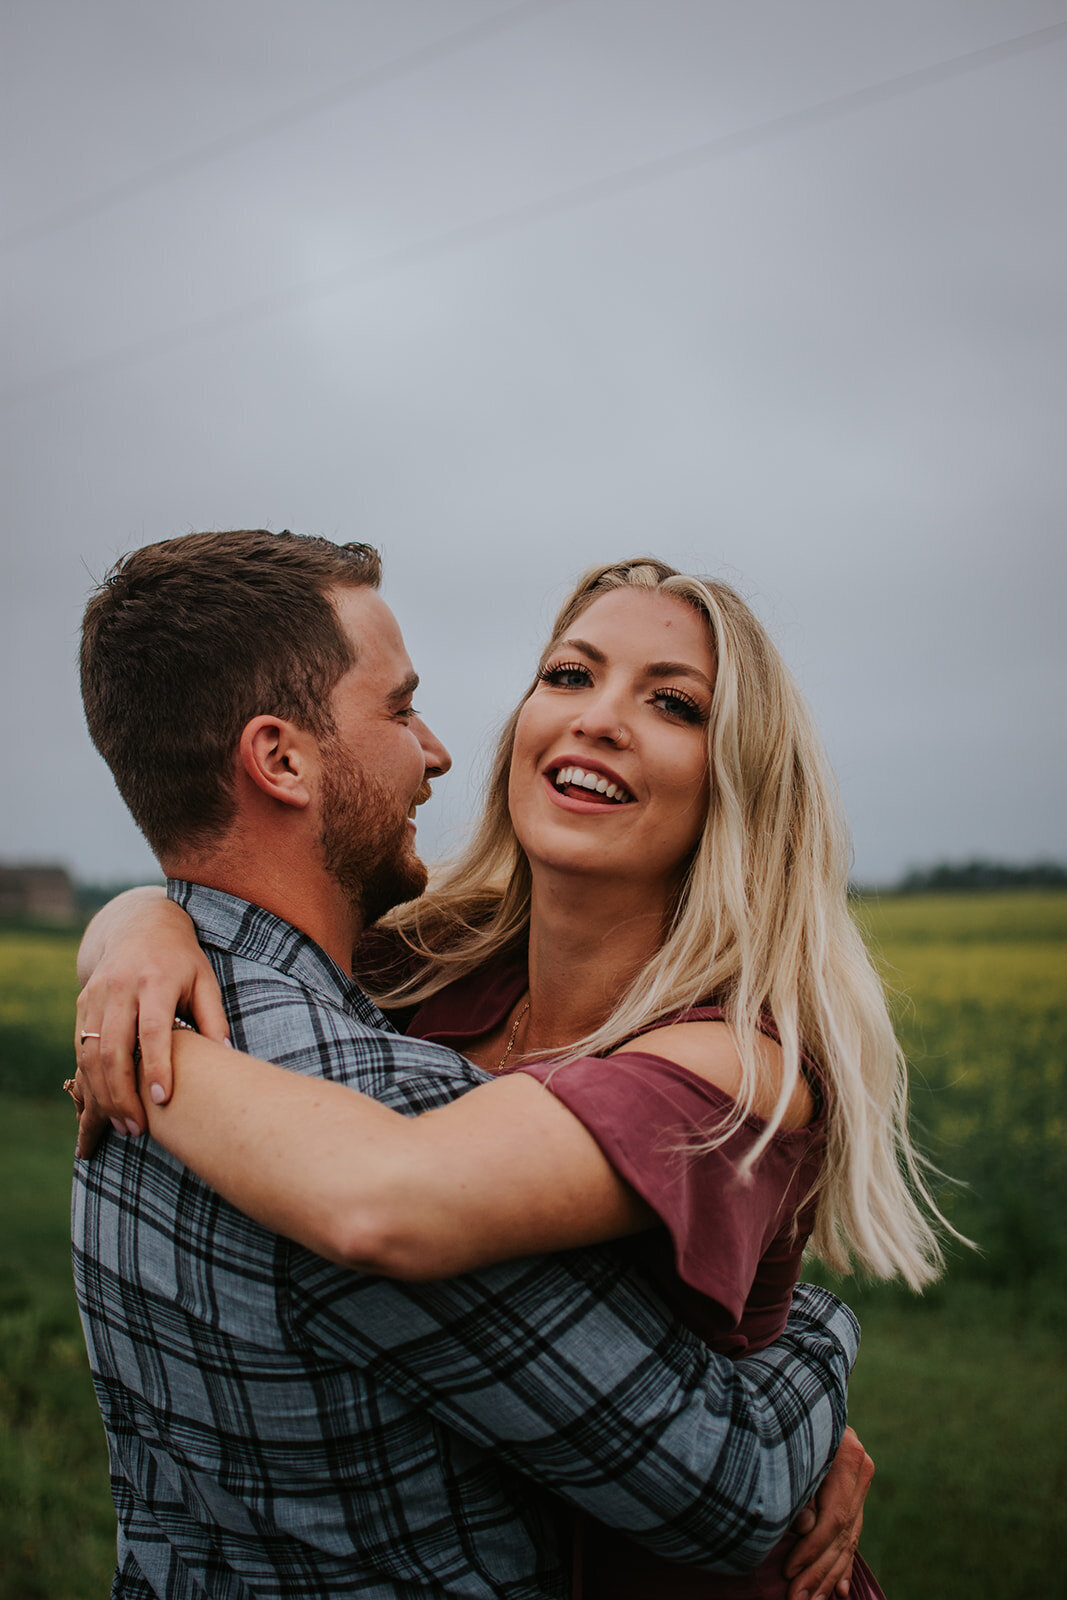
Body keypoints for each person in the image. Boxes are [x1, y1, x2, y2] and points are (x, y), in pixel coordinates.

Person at [71, 530, 870, 1600]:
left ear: (738, 781)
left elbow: (386, 1189)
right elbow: (234, 909)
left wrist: (145, 1056)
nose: (596, 716)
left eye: (672, 703)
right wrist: (137, 927)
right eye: (568, 674)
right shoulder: (422, 969)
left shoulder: (731, 1062)